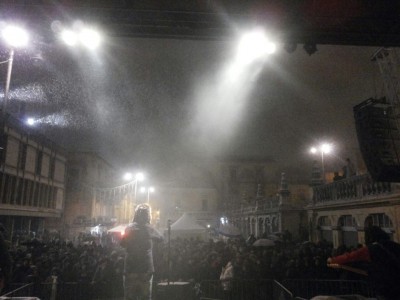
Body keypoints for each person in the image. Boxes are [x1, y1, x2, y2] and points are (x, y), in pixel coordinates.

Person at [327, 226, 400, 300]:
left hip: (386, 287)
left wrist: (332, 260)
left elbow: (349, 257)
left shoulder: (371, 249)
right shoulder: (396, 246)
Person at [120, 204, 164, 300]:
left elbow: (122, 244)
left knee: (129, 297)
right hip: (146, 268)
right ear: (148, 216)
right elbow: (161, 238)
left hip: (130, 267)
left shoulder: (129, 228)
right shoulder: (149, 228)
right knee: (145, 297)